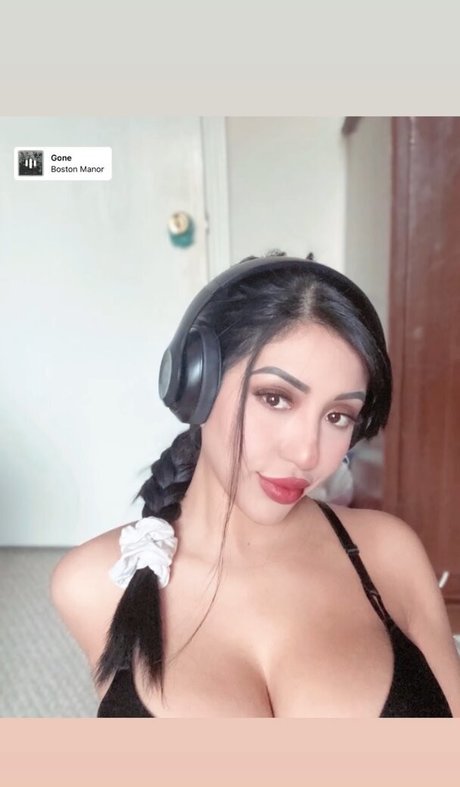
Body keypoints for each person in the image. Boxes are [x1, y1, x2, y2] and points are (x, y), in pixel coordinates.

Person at [51, 253, 460, 717]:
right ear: (195, 385)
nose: (307, 454)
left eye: (337, 416)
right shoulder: (91, 583)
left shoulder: (390, 553)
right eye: (275, 398)